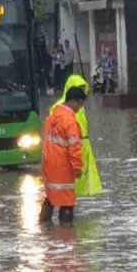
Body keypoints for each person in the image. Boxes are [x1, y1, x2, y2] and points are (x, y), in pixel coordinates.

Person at [41, 86, 87, 224]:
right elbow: (74, 148)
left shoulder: (52, 117)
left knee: (50, 197)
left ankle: (44, 227)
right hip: (63, 166)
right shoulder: (69, 121)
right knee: (67, 201)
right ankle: (66, 233)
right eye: (80, 105)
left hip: (49, 164)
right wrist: (77, 168)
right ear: (75, 102)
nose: (79, 109)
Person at [54, 74, 104, 198]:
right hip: (69, 150)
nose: (82, 90)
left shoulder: (78, 105)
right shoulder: (61, 107)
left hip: (81, 146)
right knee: (64, 189)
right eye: (79, 88)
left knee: (80, 181)